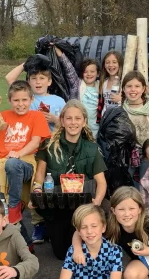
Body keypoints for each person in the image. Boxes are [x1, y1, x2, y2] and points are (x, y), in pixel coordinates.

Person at [32, 100, 108, 260]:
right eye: (69, 118)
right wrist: (37, 192)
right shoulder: (48, 145)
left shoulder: (92, 148)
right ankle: (50, 228)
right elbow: (39, 174)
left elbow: (101, 182)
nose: (73, 122)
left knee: (87, 249)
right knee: (61, 253)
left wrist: (97, 202)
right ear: (62, 120)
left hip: (82, 206)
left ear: (84, 121)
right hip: (56, 205)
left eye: (77, 118)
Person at [5, 55, 67, 245]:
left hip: (53, 149)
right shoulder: (27, 98)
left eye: (42, 78)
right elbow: (9, 79)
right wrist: (28, 63)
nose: (38, 81)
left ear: (49, 81)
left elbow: (68, 124)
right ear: (28, 81)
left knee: (50, 184)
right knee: (34, 186)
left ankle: (52, 220)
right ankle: (38, 224)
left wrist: (54, 120)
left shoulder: (58, 100)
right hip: (30, 150)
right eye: (33, 78)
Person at [0, 81, 51, 227]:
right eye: (16, 100)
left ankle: (14, 206)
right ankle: (24, 241)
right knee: (5, 213)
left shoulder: (37, 116)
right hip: (3, 165)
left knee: (12, 164)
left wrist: (18, 153)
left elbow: (35, 142)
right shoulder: (4, 115)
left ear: (31, 100)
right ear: (10, 101)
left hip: (25, 163)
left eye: (24, 100)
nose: (20, 104)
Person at [121, 71, 149, 179]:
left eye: (137, 86)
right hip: (126, 154)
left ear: (143, 88)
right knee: (127, 184)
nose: (133, 90)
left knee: (146, 184)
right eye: (129, 86)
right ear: (123, 89)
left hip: (147, 154)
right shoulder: (120, 109)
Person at [76, 57, 101, 132]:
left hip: (95, 128)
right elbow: (68, 70)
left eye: (92, 71)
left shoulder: (101, 86)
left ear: (98, 73)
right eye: (85, 72)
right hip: (80, 127)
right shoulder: (78, 85)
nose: (89, 74)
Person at [97, 50, 124, 119]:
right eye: (107, 62)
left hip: (119, 119)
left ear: (120, 64)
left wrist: (121, 100)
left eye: (114, 62)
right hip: (105, 119)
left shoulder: (124, 82)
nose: (111, 65)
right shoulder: (103, 83)